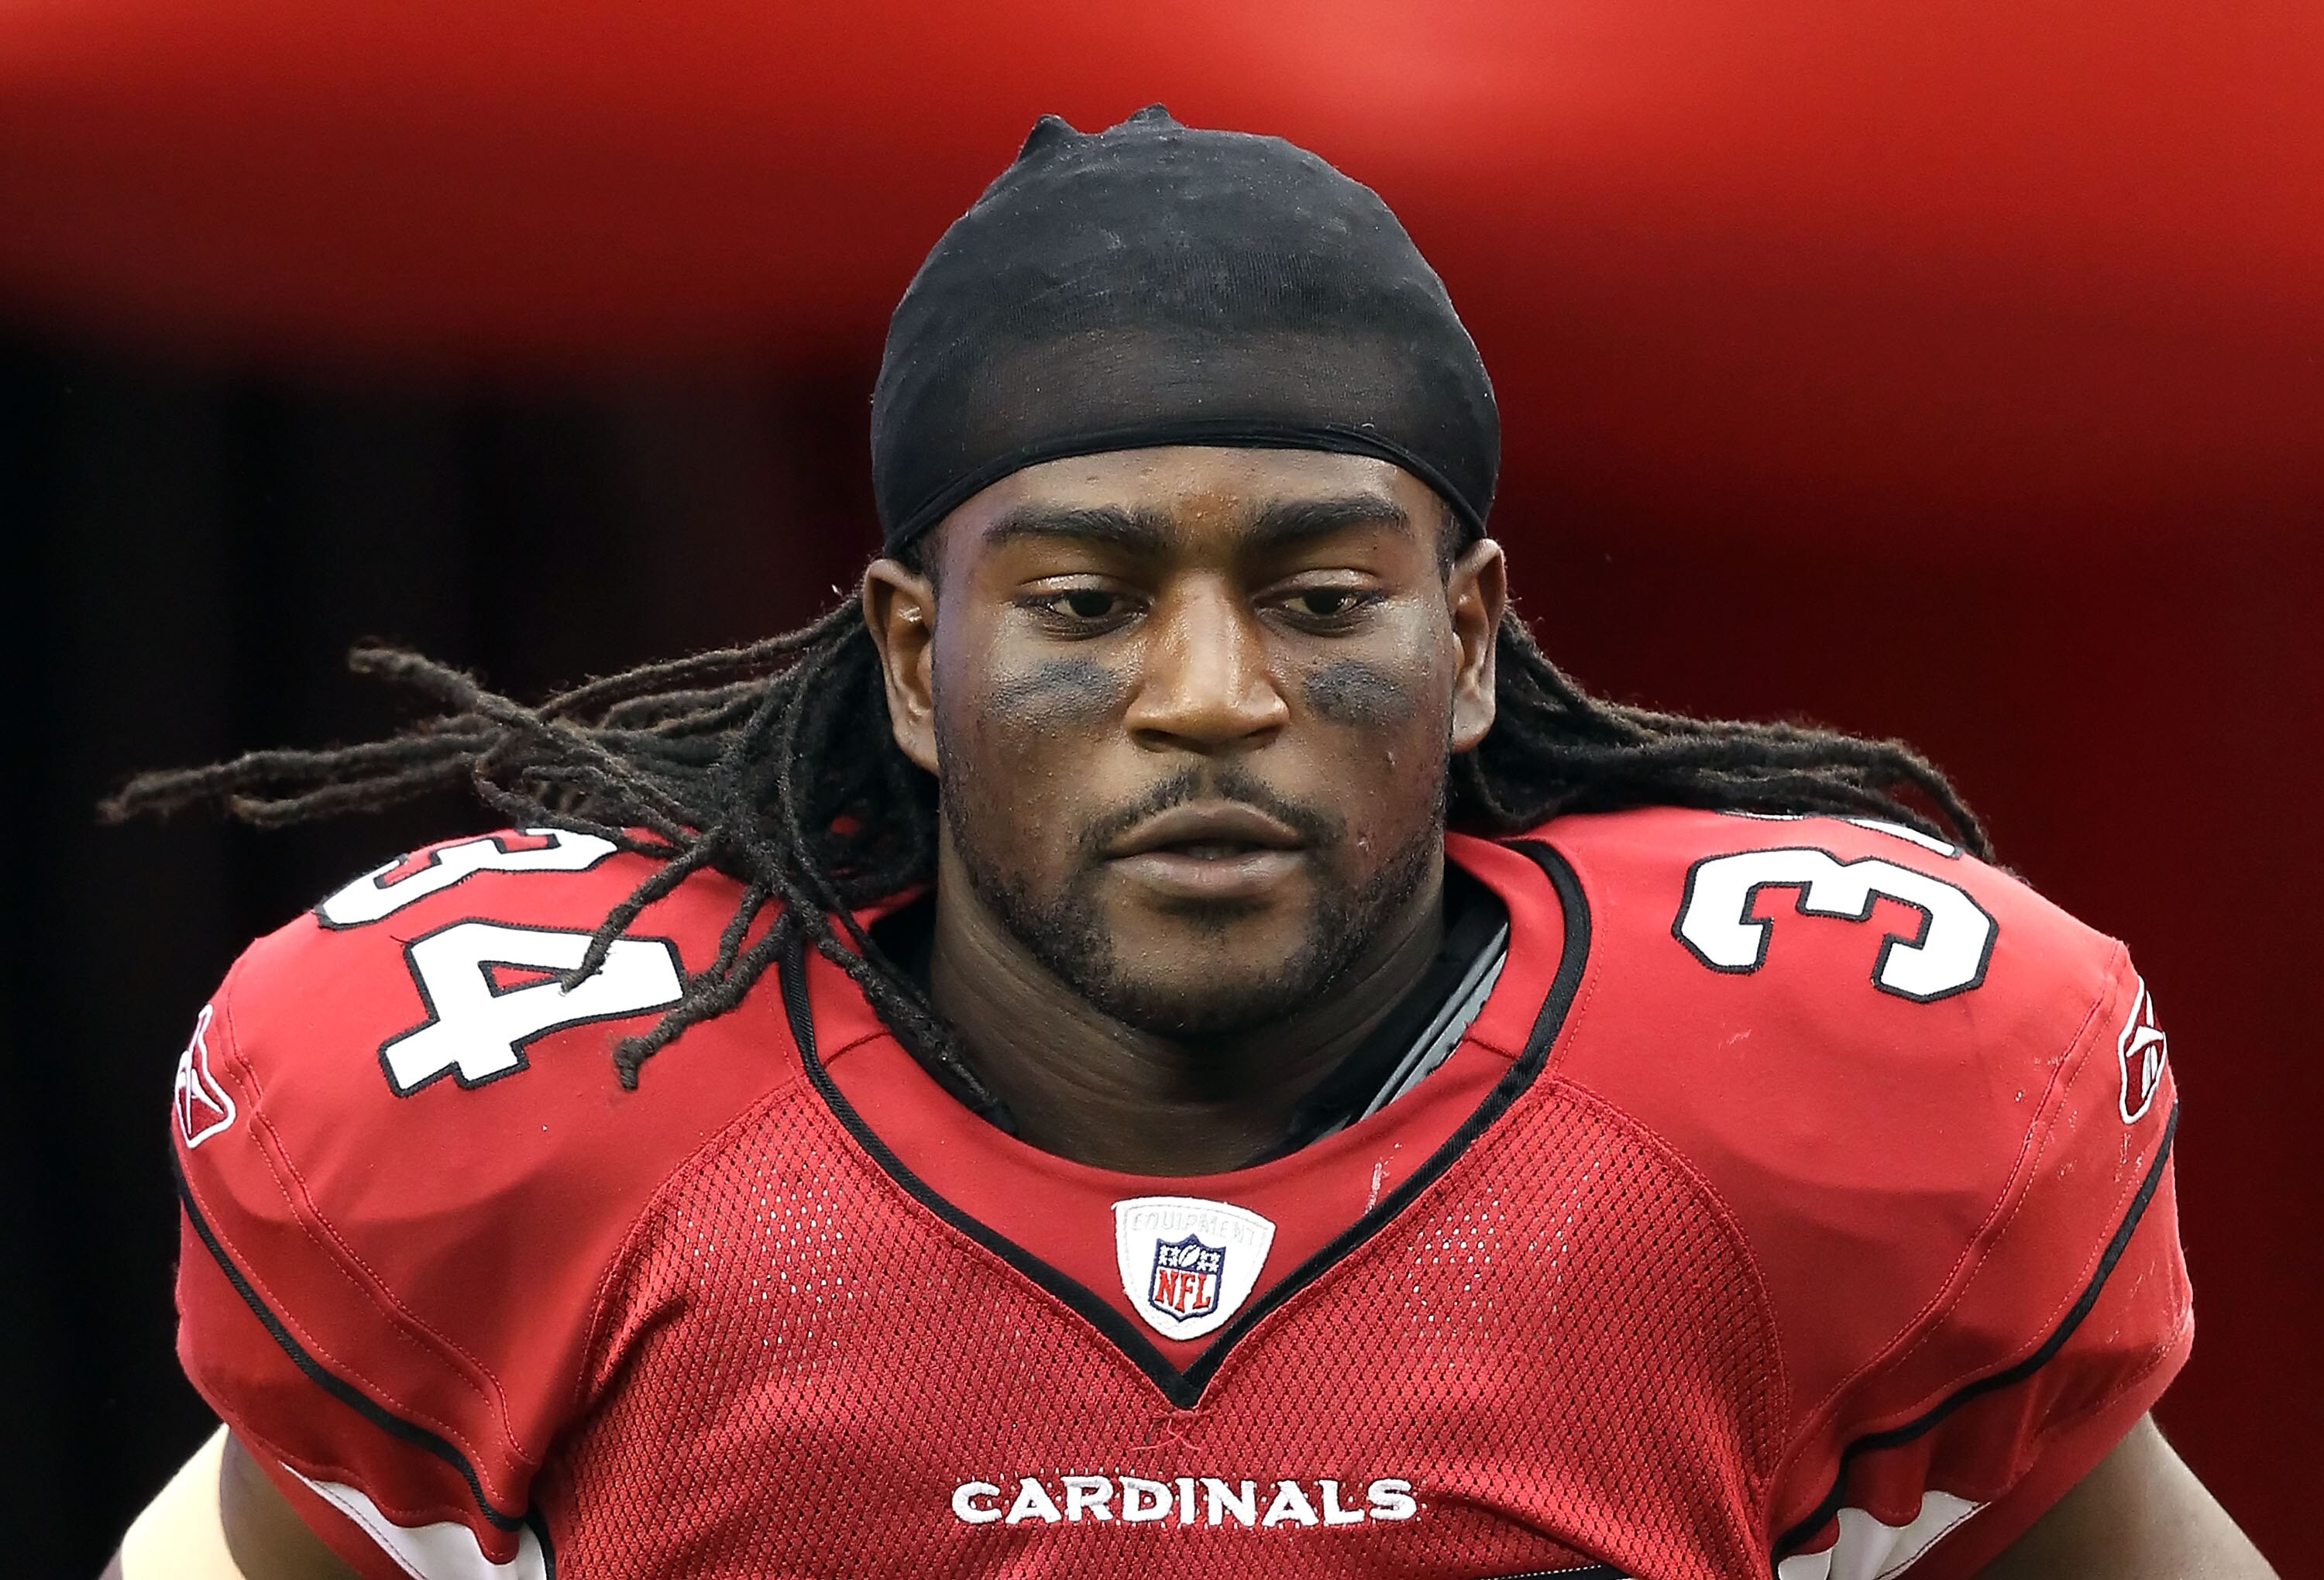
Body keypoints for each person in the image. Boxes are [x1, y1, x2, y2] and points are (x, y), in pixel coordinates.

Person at [105, 108, 2271, 1580]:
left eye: (1325, 596)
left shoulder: (1819, 1105)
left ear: (1474, 639)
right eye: (1084, 602)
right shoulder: (545, 1112)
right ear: (915, 659)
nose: (1215, 693)